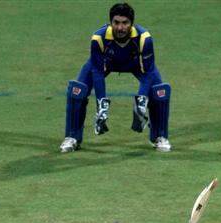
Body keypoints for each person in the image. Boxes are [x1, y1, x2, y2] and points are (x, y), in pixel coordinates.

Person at [60, 3, 171, 154]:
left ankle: (160, 137)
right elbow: (97, 71)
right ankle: (71, 137)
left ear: (132, 24)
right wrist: (101, 103)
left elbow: (149, 71)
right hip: (107, 63)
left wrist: (142, 100)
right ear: (110, 22)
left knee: (160, 92)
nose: (120, 28)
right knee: (77, 91)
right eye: (116, 23)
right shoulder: (98, 38)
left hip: (135, 64)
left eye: (125, 23)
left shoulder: (144, 38)